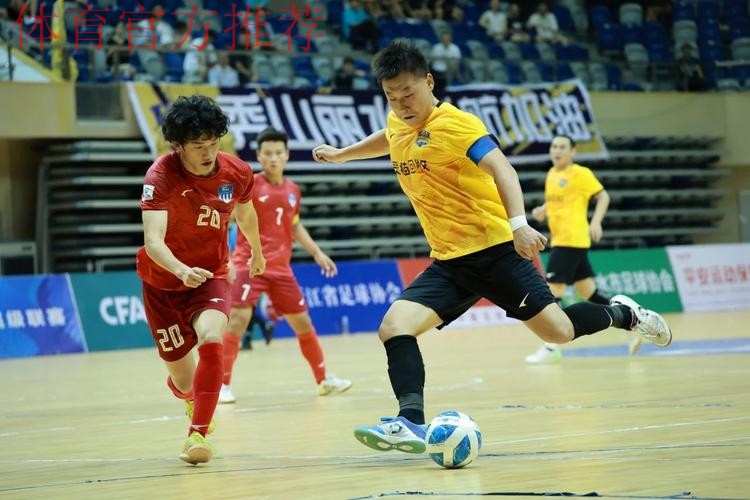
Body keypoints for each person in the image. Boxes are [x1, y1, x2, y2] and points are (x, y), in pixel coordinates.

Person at [312, 40, 672, 454]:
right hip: (449, 261)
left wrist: (519, 225)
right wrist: (343, 155)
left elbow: (503, 167)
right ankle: (409, 422)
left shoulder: (459, 125)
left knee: (558, 332)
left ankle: (625, 314)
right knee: (394, 327)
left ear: (429, 82)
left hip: (496, 250)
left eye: (408, 93)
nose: (400, 104)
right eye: (391, 96)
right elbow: (390, 136)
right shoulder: (399, 121)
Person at [137, 95, 266, 465]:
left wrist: (257, 252)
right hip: (162, 283)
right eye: (198, 146)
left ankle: (198, 435)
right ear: (178, 146)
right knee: (184, 381)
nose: (208, 152)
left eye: (213, 143)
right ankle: (190, 394)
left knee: (212, 338)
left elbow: (246, 213)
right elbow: (153, 241)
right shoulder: (160, 176)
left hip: (211, 275)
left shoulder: (236, 172)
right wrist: (180, 270)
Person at [220, 127, 352, 404]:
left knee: (303, 322)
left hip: (281, 269)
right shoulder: (249, 185)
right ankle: (222, 386)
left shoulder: (293, 190)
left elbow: (294, 226)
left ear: (287, 155)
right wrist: (226, 260)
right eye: (267, 153)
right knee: (238, 321)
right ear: (258, 155)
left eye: (278, 153)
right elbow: (226, 221)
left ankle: (323, 380)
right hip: (248, 264)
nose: (273, 158)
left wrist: (317, 252)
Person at [525, 135, 641, 364]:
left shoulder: (581, 173)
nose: (557, 150)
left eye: (563, 147)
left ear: (573, 152)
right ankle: (634, 321)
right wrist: (543, 210)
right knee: (589, 293)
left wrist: (596, 222)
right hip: (562, 240)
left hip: (571, 241)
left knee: (553, 292)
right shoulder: (551, 174)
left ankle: (551, 347)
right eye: (554, 146)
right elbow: (559, 200)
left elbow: (603, 196)